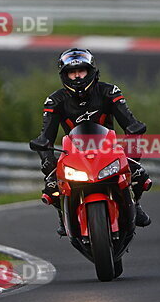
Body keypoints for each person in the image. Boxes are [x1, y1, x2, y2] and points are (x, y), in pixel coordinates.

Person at [31, 48, 152, 236]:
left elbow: (130, 123)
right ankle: (63, 215)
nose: (77, 77)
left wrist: (134, 136)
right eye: (72, 72)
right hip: (74, 155)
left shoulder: (109, 91)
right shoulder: (54, 100)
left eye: (81, 71)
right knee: (52, 187)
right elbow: (45, 136)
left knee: (139, 174)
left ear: (91, 71)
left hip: (109, 151)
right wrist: (46, 158)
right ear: (64, 75)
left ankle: (134, 203)